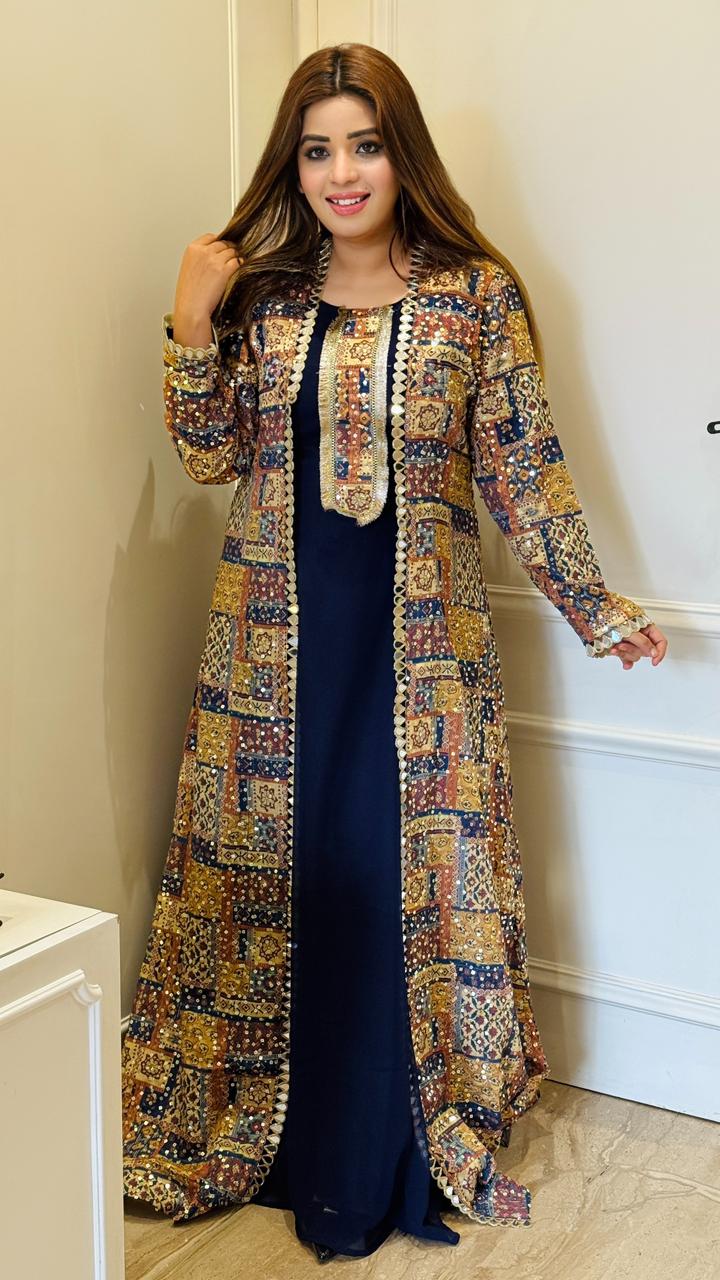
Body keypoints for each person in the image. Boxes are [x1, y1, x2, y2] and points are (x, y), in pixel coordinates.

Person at [121, 41, 668, 1264]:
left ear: (402, 151)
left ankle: (398, 1130)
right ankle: (263, 1130)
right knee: (286, 870)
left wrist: (593, 604)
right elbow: (210, 456)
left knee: (406, 872)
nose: (341, 173)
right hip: (271, 651)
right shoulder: (266, 299)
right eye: (317, 150)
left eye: (364, 144)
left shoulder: (475, 296)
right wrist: (191, 319)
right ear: (293, 166)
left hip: (423, 656)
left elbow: (523, 466)